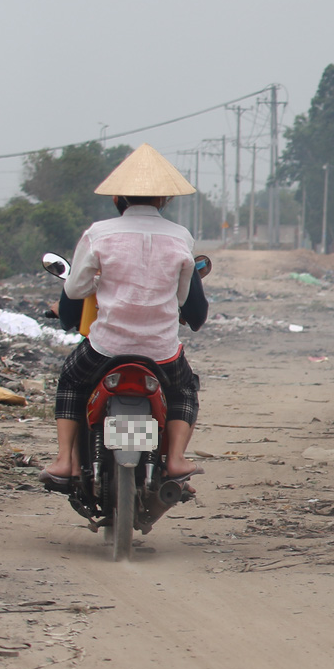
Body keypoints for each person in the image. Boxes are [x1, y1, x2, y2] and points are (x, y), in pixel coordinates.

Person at [40, 145, 204, 484]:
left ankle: (65, 460)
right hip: (162, 352)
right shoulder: (181, 238)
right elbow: (186, 297)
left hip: (105, 348)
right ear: (164, 200)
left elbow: (74, 290)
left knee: (71, 379)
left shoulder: (99, 233)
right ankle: (174, 458)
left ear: (119, 199)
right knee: (184, 388)